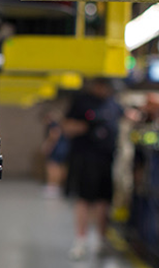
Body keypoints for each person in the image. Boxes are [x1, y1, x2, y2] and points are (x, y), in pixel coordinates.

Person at [61, 78, 124, 259]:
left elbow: (128, 115)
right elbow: (66, 126)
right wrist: (88, 126)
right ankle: (80, 242)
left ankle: (100, 241)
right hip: (85, 159)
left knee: (103, 200)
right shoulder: (82, 102)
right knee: (83, 200)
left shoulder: (113, 102)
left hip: (106, 159)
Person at [41, 109, 68, 198]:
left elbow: (54, 136)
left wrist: (48, 146)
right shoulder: (58, 124)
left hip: (57, 148)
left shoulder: (53, 125)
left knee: (52, 166)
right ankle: (56, 185)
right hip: (62, 147)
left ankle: (53, 186)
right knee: (58, 166)